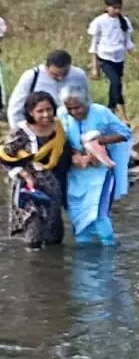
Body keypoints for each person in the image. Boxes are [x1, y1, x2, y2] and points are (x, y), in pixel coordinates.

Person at [59, 85, 132, 246]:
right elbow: (60, 140)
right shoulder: (61, 115)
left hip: (101, 171)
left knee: (99, 212)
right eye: (69, 108)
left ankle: (108, 246)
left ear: (86, 103)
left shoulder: (100, 112)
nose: (74, 112)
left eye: (77, 107)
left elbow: (125, 133)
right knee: (77, 211)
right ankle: (83, 250)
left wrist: (100, 141)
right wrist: (75, 154)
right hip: (76, 172)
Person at [0, 92, 69, 249]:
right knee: (34, 226)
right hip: (28, 186)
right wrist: (24, 174)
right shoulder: (21, 132)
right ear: (30, 112)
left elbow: (65, 151)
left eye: (49, 109)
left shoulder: (58, 127)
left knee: (54, 230)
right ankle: (33, 264)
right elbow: (4, 157)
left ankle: (52, 266)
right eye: (40, 111)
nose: (46, 114)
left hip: (52, 184)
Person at [87, 0, 138, 124]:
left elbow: (128, 42)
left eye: (119, 8)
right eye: (114, 8)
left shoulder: (124, 21)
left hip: (119, 57)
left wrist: (136, 57)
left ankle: (110, 110)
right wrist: (95, 66)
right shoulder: (99, 21)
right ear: (106, 7)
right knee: (116, 83)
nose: (117, 11)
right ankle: (123, 116)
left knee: (114, 86)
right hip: (105, 57)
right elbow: (94, 45)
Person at [6, 50, 89, 129]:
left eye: (64, 74)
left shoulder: (79, 75)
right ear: (46, 66)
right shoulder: (32, 76)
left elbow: (86, 102)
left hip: (70, 126)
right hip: (38, 127)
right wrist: (18, 131)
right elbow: (16, 108)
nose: (60, 78)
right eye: (55, 74)